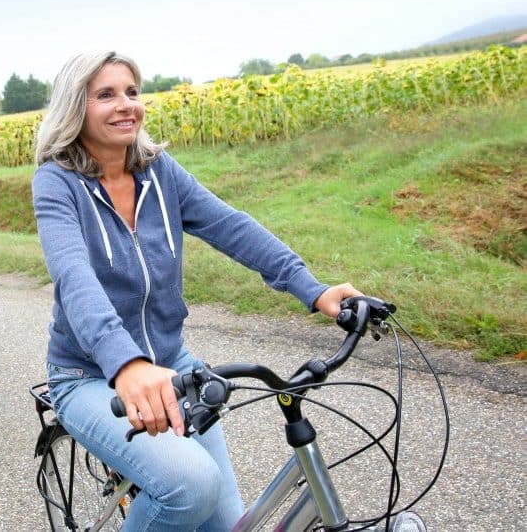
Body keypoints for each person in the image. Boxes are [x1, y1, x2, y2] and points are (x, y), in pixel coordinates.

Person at [32, 51, 363, 531]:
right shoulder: (56, 183)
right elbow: (73, 275)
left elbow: (230, 226)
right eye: (106, 94)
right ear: (74, 108)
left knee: (229, 524)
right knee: (191, 487)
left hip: (171, 364)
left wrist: (313, 289)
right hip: (88, 374)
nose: (126, 104)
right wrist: (125, 364)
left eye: (132, 92)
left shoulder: (159, 172)